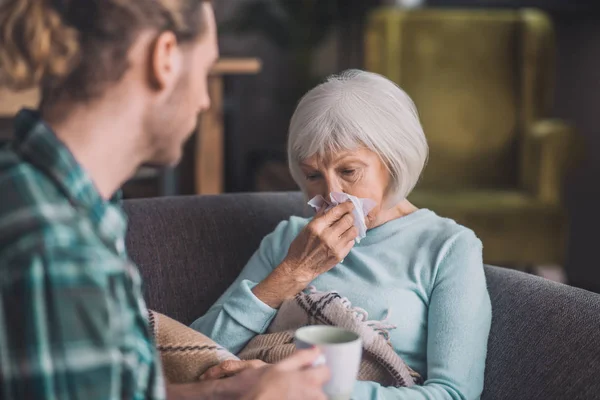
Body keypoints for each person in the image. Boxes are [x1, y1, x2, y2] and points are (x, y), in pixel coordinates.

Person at [0, 1, 329, 399]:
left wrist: (223, 394)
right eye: (206, 71)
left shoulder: (63, 201)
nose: (205, 101)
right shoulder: (57, 246)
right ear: (165, 57)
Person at [192, 70, 493, 399]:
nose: (332, 194)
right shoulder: (288, 240)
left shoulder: (448, 248)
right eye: (313, 175)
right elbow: (193, 355)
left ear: (393, 161)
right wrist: (294, 272)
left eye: (348, 171)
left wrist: (308, 391)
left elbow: (455, 394)